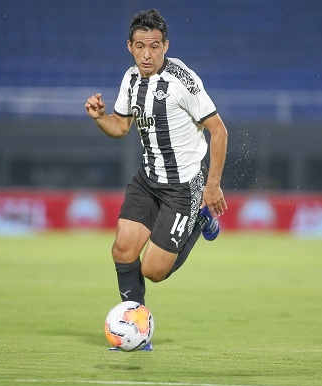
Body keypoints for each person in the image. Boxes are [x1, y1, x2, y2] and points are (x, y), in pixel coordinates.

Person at [85, 9, 228, 349]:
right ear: (129, 47)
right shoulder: (130, 79)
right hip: (148, 180)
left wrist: (212, 187)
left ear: (166, 45)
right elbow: (120, 127)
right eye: (139, 46)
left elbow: (218, 132)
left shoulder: (184, 80)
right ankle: (138, 331)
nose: (146, 54)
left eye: (153, 46)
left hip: (184, 186)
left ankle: (200, 220)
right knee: (122, 250)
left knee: (154, 270)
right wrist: (100, 117)